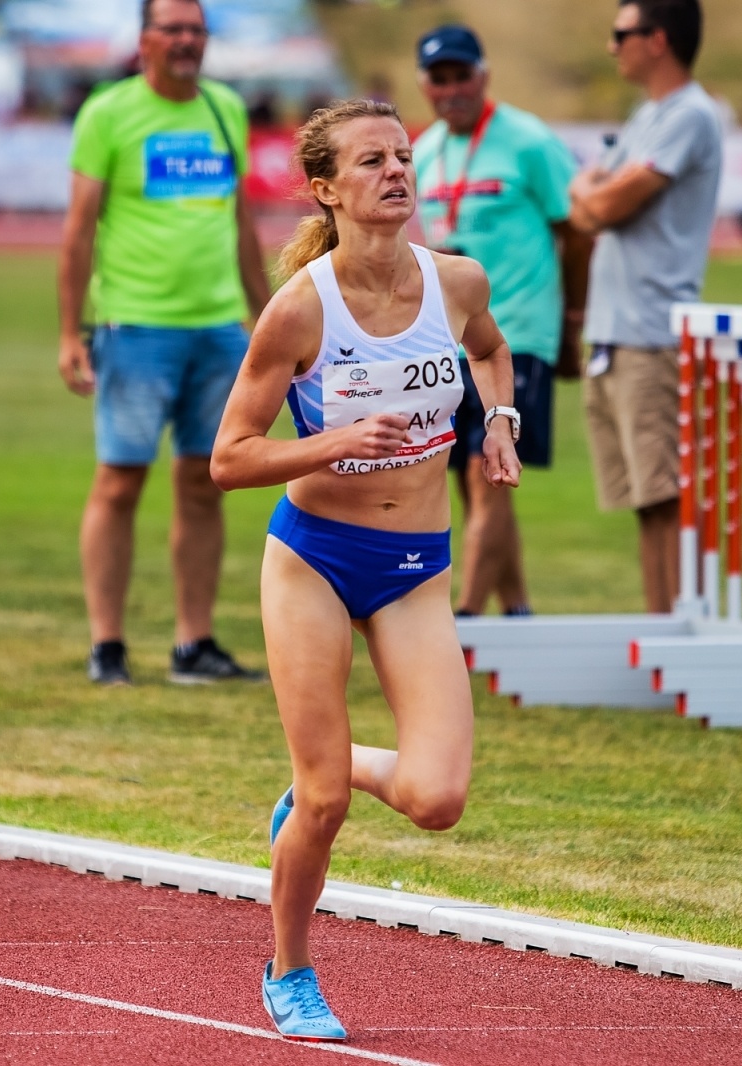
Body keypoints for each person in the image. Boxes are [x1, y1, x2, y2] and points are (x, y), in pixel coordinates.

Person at [210, 99, 521, 1042]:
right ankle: (289, 970)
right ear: (324, 189)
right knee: (327, 805)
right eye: (371, 161)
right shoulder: (301, 308)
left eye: (402, 156)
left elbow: (493, 353)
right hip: (315, 558)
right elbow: (229, 457)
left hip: (417, 565)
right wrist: (332, 442)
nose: (396, 172)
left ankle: (321, 772)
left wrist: (498, 419)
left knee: (437, 799)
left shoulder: (457, 283)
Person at [57, 0, 271, 686]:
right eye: (172, 29)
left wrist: (265, 319)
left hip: (217, 331)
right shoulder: (108, 113)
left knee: (204, 484)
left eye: (196, 31)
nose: (186, 41)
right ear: (144, 40)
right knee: (120, 482)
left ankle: (193, 645)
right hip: (136, 326)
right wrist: (69, 332)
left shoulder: (224, 111)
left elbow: (241, 221)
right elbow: (79, 230)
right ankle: (108, 646)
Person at [411, 24, 591, 617]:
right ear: (425, 86)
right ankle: (516, 609)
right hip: (451, 342)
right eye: (440, 79)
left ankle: (459, 621)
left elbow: (577, 228)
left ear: (483, 76)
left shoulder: (528, 140)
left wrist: (570, 320)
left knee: (489, 475)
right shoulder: (425, 151)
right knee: (470, 480)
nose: (452, 88)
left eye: (463, 75)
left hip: (518, 337)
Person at [567, 0, 722, 613]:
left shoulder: (690, 116)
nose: (612, 46)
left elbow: (598, 207)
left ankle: (681, 635)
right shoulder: (648, 115)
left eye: (621, 34)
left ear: (657, 40)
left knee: (666, 497)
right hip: (615, 333)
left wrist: (592, 190)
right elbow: (584, 202)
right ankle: (664, 634)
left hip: (652, 331)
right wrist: (593, 192)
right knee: (643, 501)